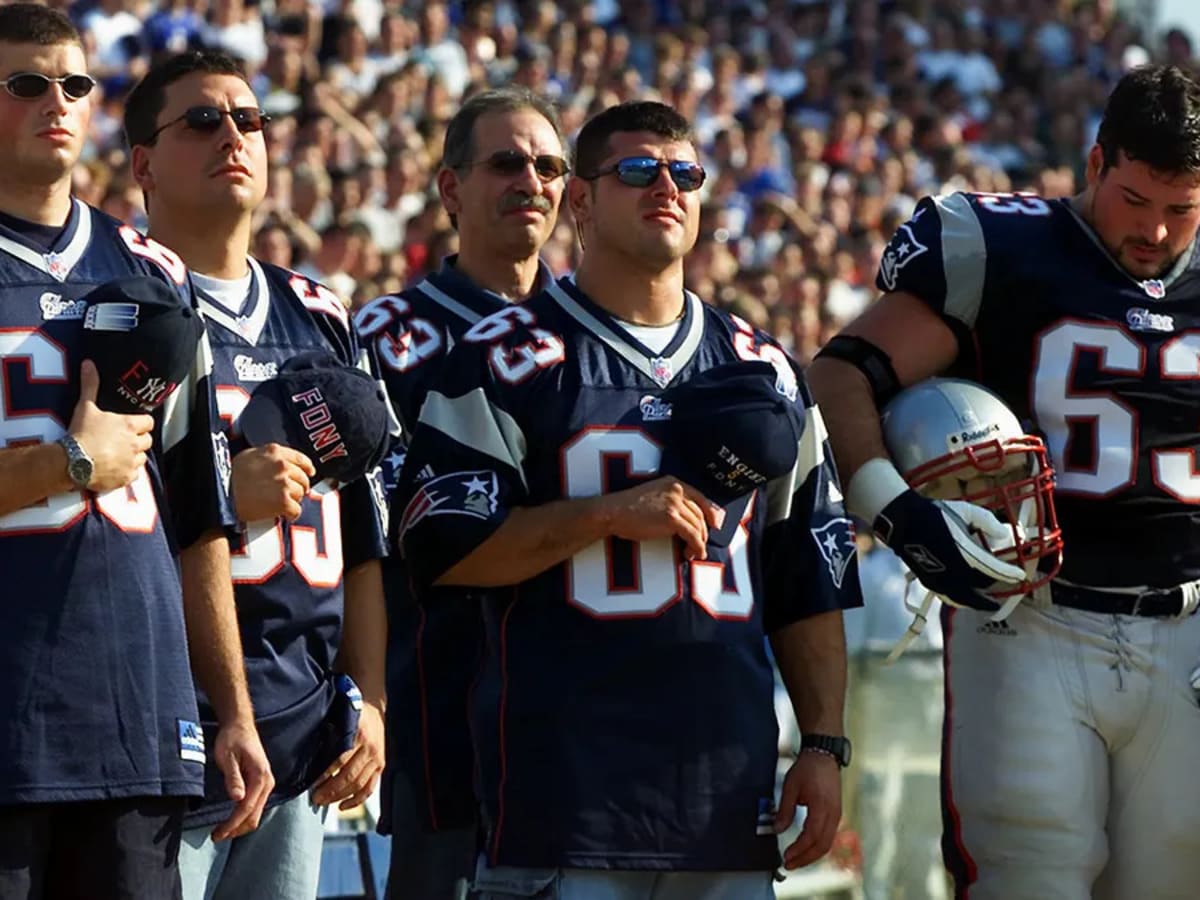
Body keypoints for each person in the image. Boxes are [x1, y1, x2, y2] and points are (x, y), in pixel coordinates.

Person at [394, 100, 862, 899]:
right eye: (639, 171)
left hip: (724, 791)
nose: (666, 190)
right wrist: (606, 514)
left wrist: (822, 742)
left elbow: (806, 580)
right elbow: (447, 551)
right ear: (580, 200)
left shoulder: (765, 369)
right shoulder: (503, 356)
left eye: (685, 174)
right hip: (562, 794)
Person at [807, 63, 1200, 900]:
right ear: (1096, 165)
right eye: (1136, 200)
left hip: (1190, 627)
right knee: (1026, 872)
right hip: (1032, 621)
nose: (1158, 233)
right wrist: (894, 508)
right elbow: (842, 373)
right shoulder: (1000, 245)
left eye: (1182, 209)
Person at [0, 7, 271, 899]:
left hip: (135, 716)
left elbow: (200, 519)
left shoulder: (154, 269)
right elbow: (87, 462)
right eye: (28, 84)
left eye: (75, 85)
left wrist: (230, 711)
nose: (58, 102)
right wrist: (63, 465)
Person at [124, 49, 389, 900]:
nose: (232, 135)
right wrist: (219, 502)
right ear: (142, 164)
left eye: (248, 120)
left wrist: (371, 699)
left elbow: (361, 533)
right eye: (202, 120)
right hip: (169, 723)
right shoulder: (118, 296)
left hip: (304, 728)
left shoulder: (320, 311)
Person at [352, 86, 567, 899]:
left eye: (550, 166)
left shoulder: (597, 332)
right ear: (450, 188)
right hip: (440, 714)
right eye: (507, 162)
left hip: (589, 721)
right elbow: (367, 541)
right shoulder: (382, 338)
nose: (532, 182)